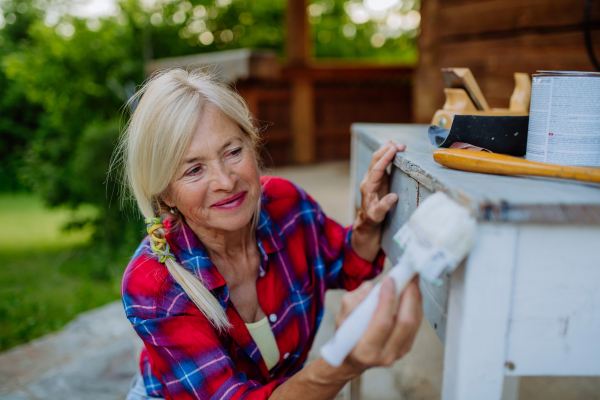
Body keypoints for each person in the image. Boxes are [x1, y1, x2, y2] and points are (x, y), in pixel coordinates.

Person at [118, 68, 422, 400]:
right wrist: (342, 363)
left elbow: (344, 262)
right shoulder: (153, 285)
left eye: (233, 152)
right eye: (194, 169)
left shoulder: (285, 205)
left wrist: (368, 223)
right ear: (165, 195)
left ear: (252, 143)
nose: (226, 181)